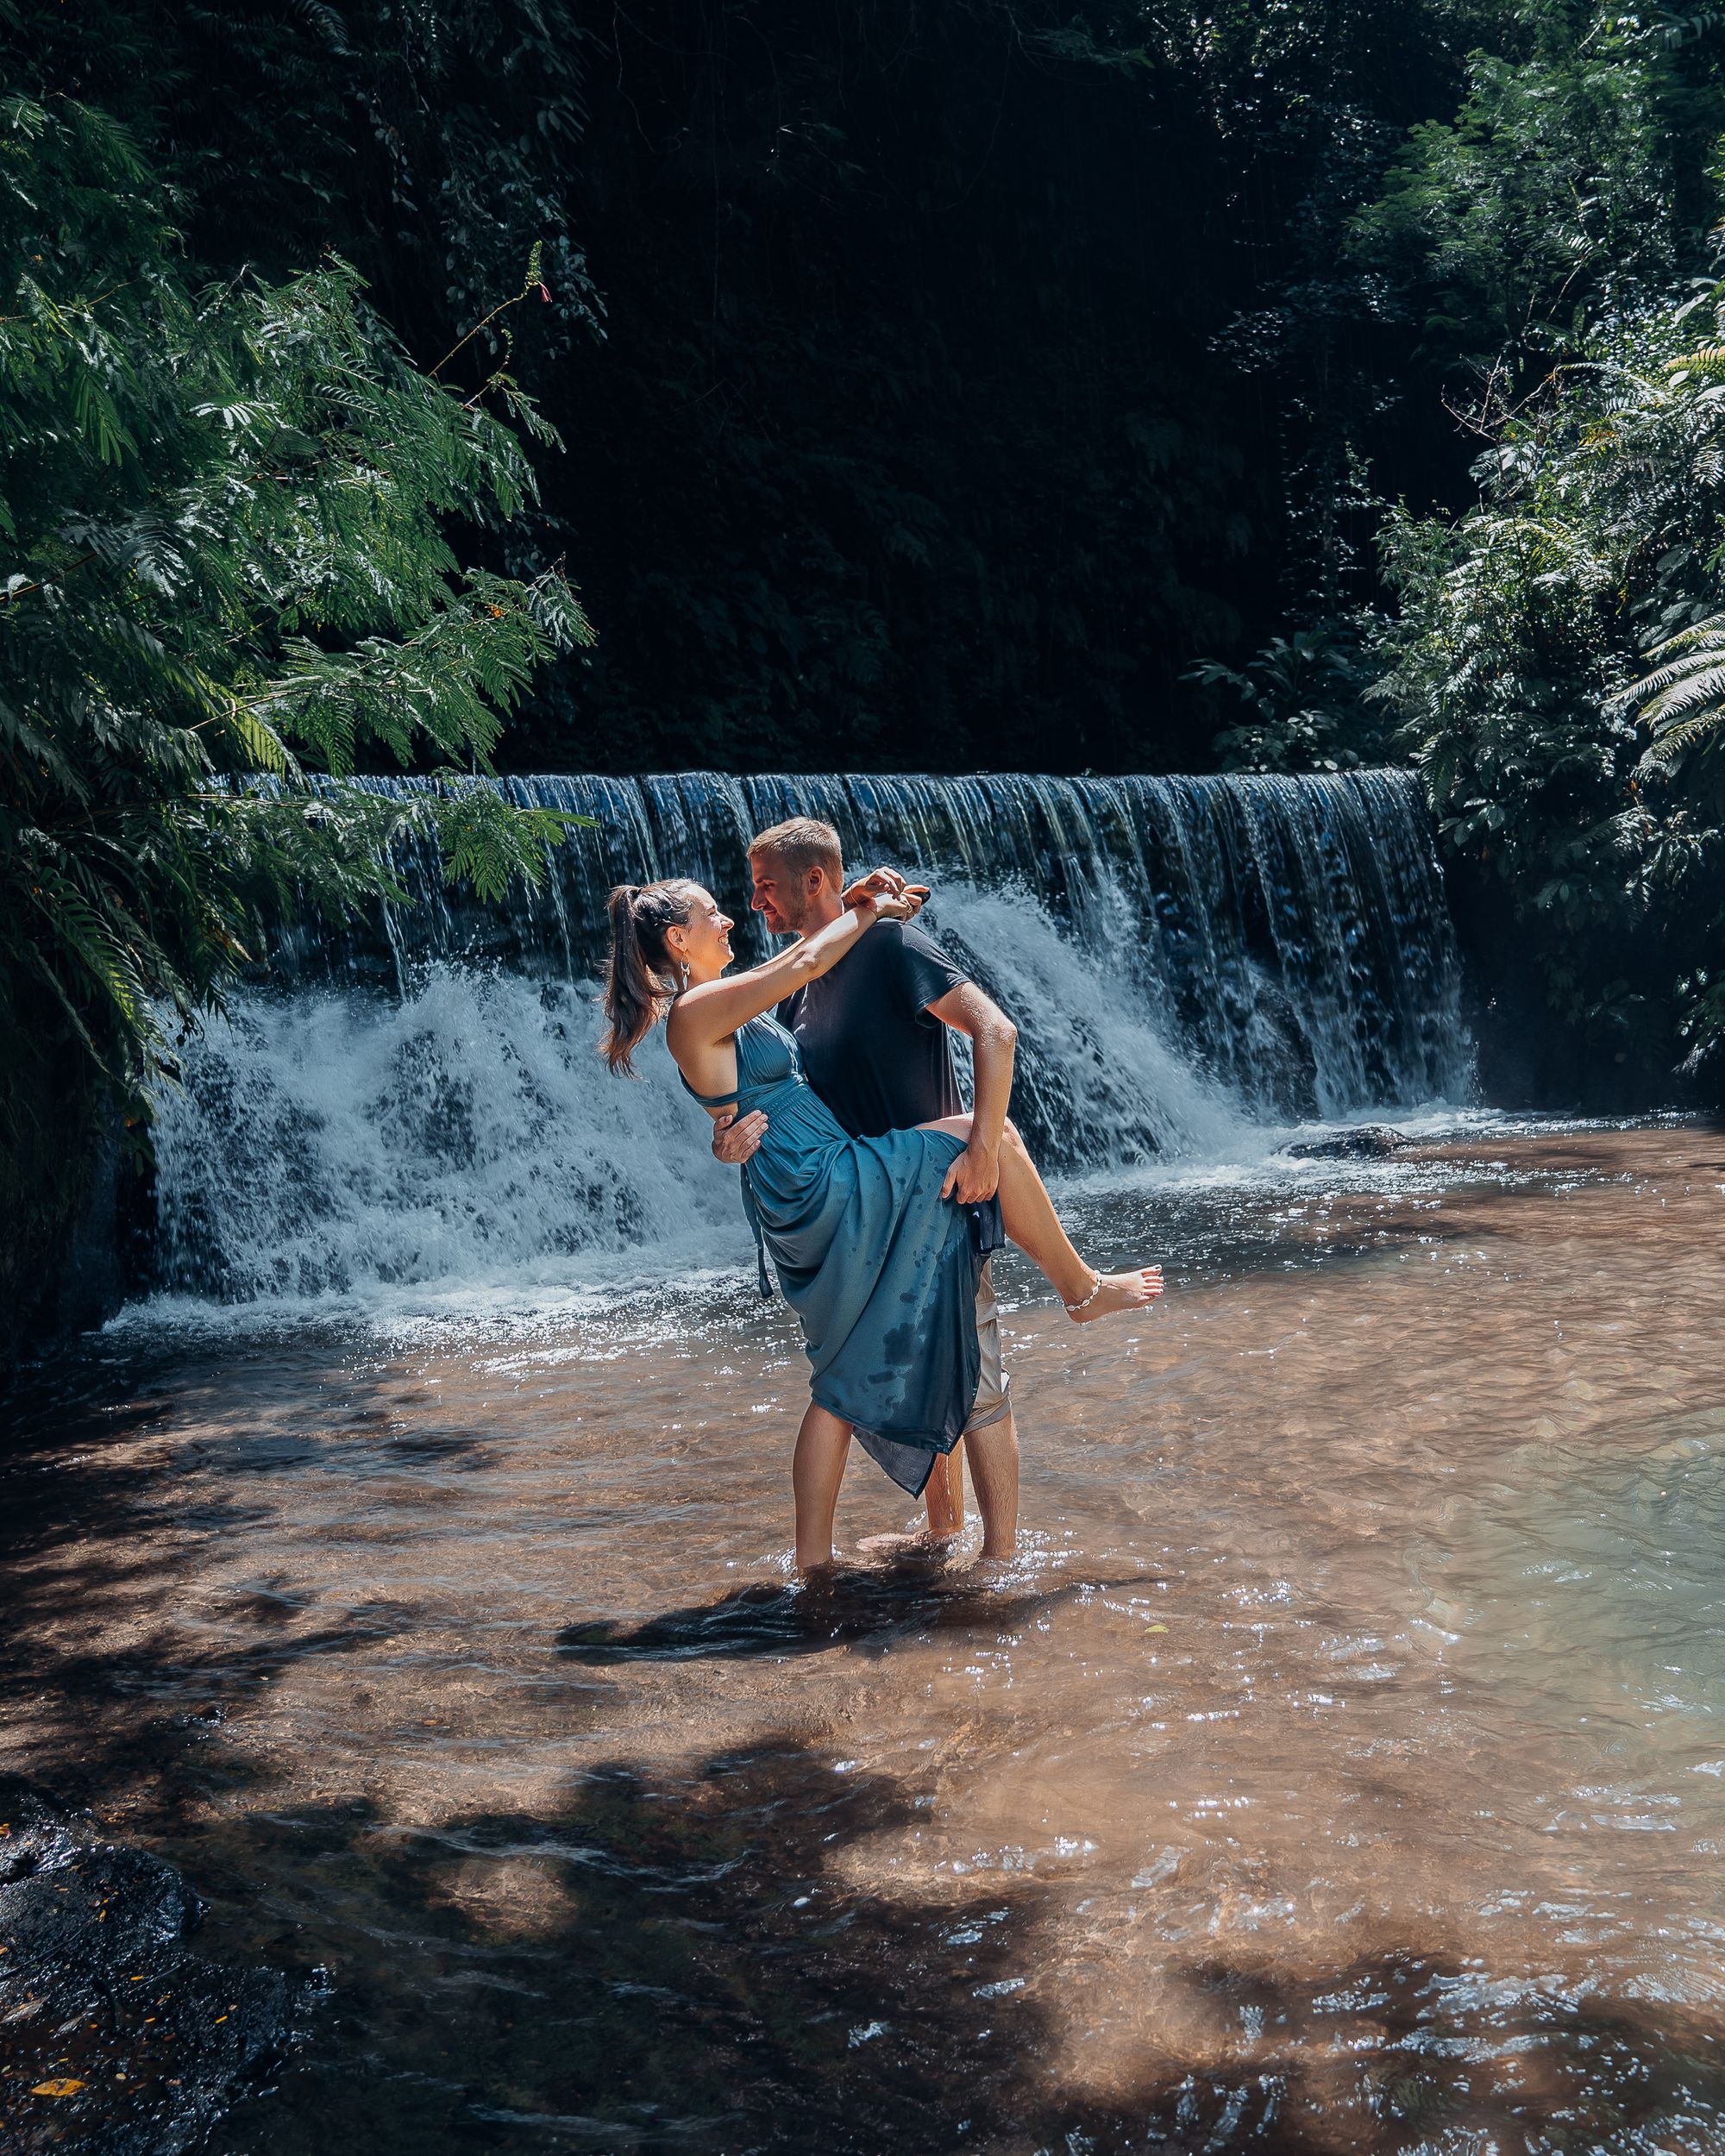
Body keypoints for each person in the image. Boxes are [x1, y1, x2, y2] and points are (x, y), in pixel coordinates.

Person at [599, 873, 1163, 1575]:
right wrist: (869, 911)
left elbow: (783, 990)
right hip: (820, 1180)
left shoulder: (716, 1005)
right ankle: (1080, 1290)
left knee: (838, 1380)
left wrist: (856, 903)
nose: (732, 922)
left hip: (808, 1176)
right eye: (714, 916)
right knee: (991, 1137)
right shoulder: (696, 1009)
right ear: (679, 941)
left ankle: (814, 1563)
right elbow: (803, 963)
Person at [714, 818, 1021, 1556]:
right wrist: (728, 1142)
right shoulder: (795, 984)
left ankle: (1003, 1557)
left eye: (766, 888)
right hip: (871, 1216)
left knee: (977, 1385)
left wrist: (982, 1149)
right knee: (911, 1376)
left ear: (813, 881)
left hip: (943, 1194)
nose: (755, 903)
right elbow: (776, 1105)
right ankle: (946, 1531)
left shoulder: (891, 945)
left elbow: (995, 1031)